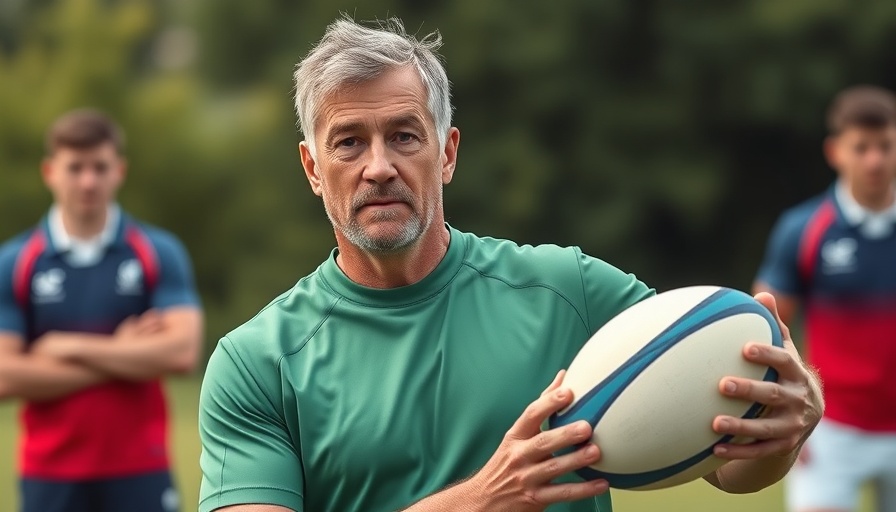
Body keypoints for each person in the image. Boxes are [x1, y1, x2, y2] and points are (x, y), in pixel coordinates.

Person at [198, 16, 823, 512]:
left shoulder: (569, 290)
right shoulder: (258, 362)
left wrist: (789, 418)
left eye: (405, 135)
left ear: (447, 154)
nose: (379, 165)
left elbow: (729, 465)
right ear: (313, 168)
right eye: (349, 142)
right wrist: (485, 499)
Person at [0, 109, 205, 512]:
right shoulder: (15, 261)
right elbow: (4, 376)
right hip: (49, 472)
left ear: (119, 171)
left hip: (139, 466)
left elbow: (182, 352)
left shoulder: (157, 252)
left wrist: (65, 346)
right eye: (75, 168)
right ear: (50, 172)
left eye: (100, 167)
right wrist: (123, 351)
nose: (88, 180)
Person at [754, 85, 896, 512]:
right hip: (830, 431)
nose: (875, 159)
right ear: (836, 152)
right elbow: (762, 329)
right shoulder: (803, 229)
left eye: (886, 146)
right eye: (862, 147)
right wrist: (788, 417)